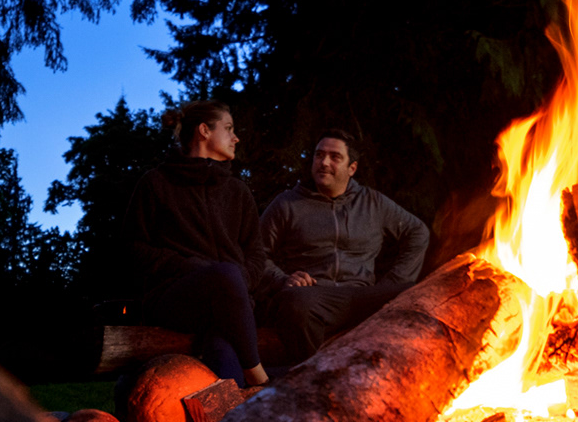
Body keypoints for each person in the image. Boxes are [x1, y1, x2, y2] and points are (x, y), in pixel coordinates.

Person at [123, 101, 278, 385]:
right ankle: (260, 378)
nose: (236, 137)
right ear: (204, 131)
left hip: (232, 302)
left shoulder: (237, 191)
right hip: (175, 299)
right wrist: (190, 267)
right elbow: (133, 249)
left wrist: (238, 282)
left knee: (222, 349)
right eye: (229, 129)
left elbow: (256, 254)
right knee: (226, 274)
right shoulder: (156, 183)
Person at [259, 130, 430, 360]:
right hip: (315, 296)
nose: (324, 162)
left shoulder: (373, 202)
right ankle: (309, 380)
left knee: (416, 296)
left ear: (352, 168)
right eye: (319, 155)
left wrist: (394, 282)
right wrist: (282, 279)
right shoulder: (288, 204)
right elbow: (256, 253)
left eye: (334, 157)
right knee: (296, 303)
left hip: (363, 295)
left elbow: (417, 232)